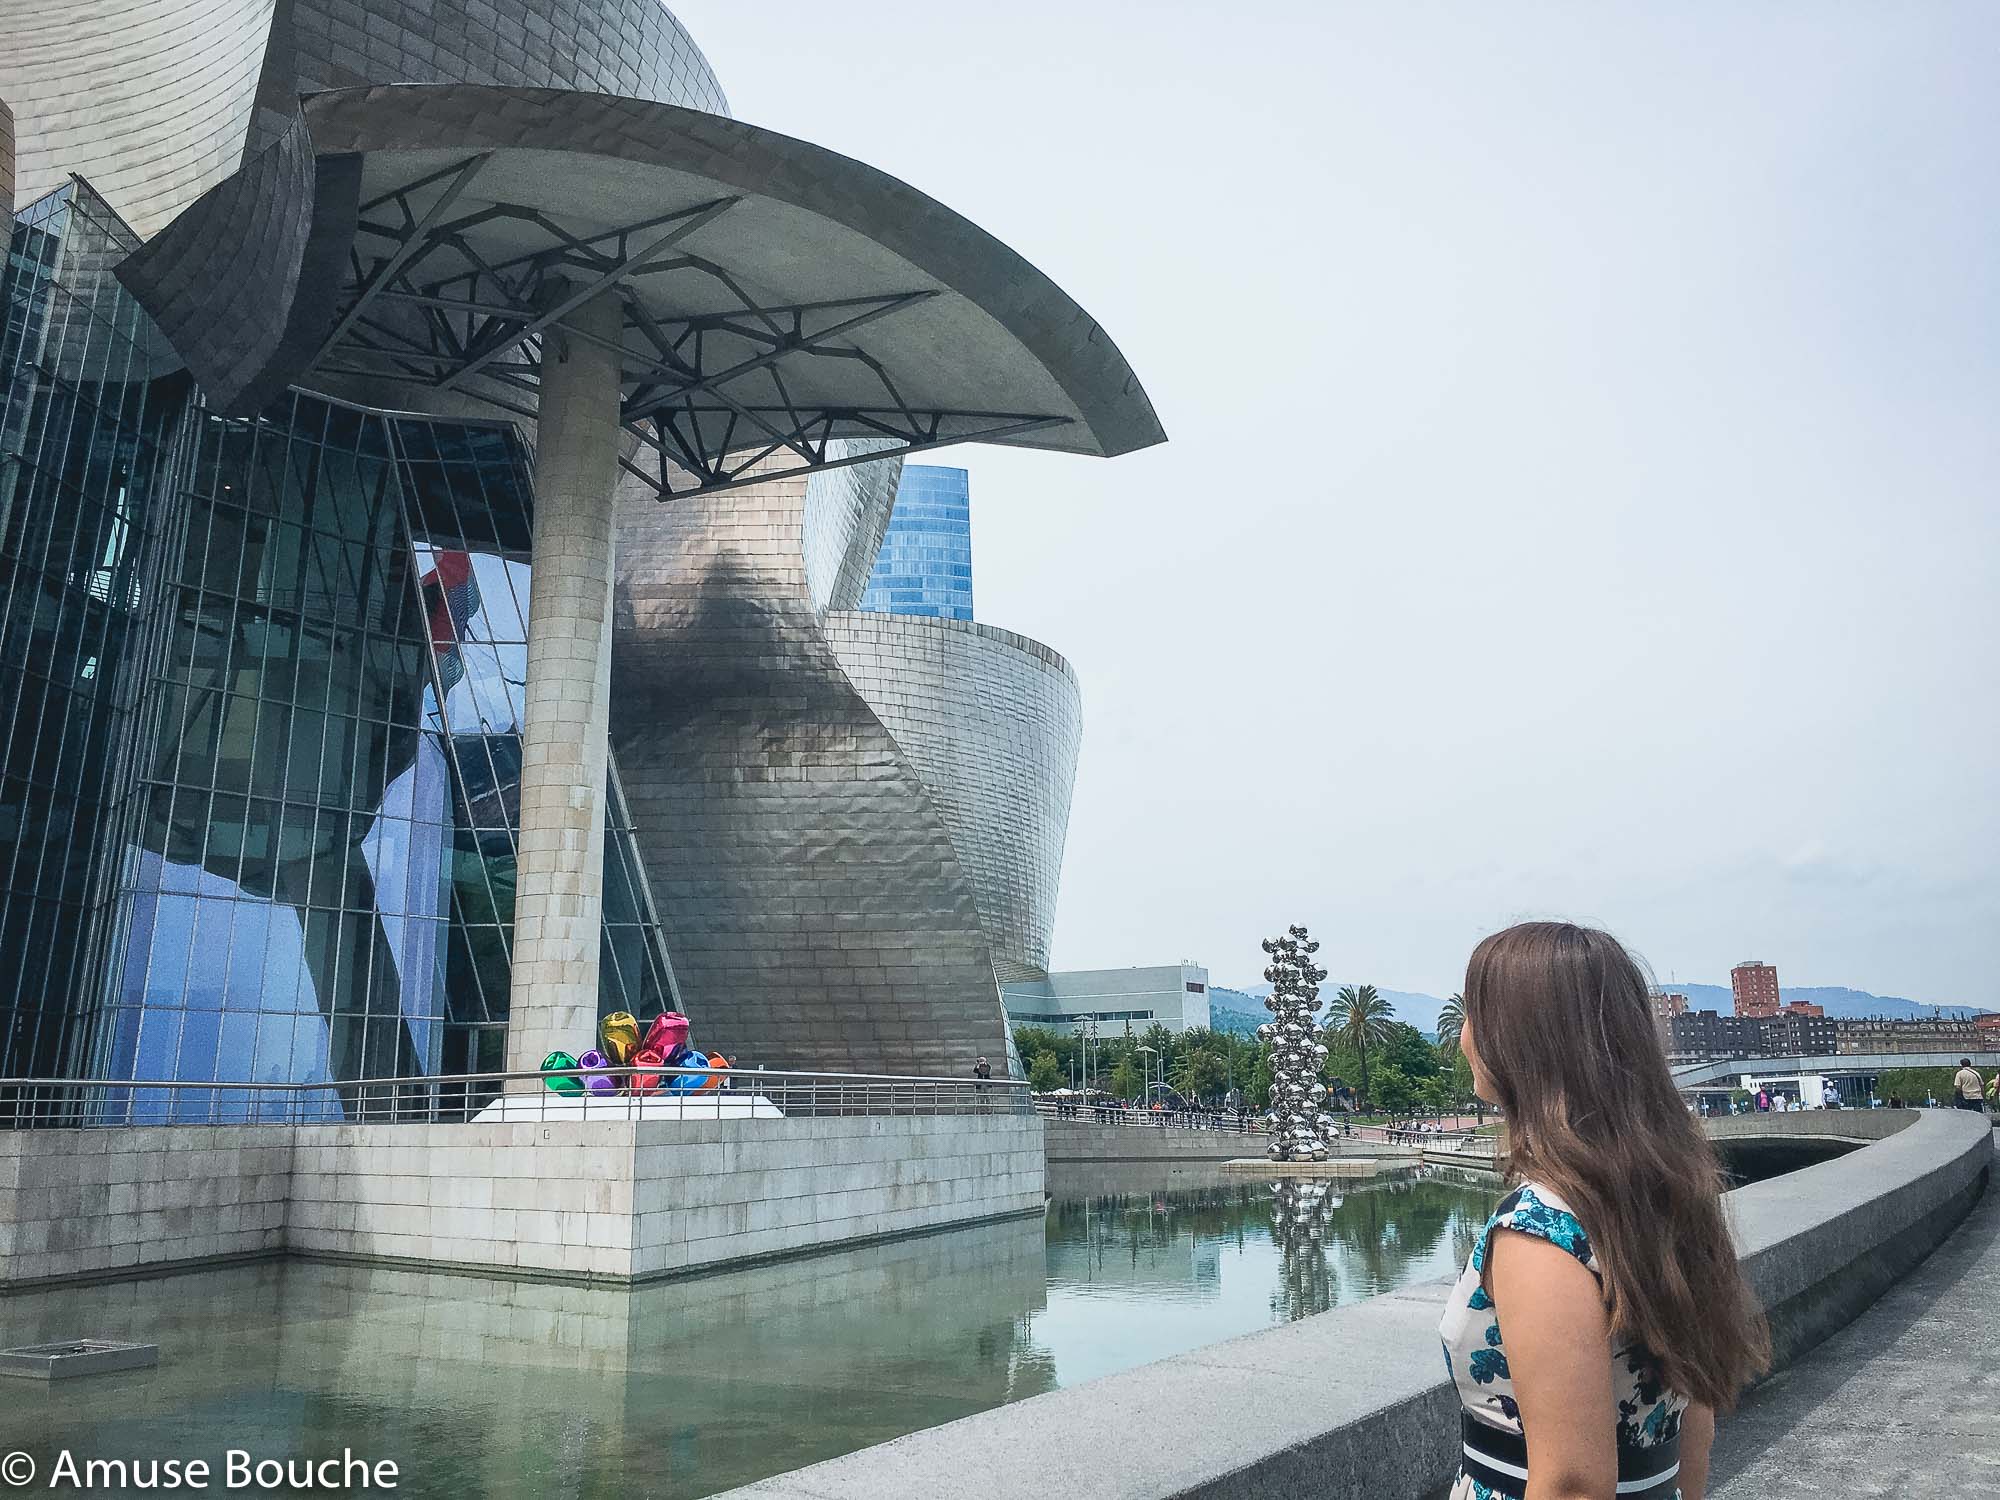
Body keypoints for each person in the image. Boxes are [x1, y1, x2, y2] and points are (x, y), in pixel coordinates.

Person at [1443, 922, 1769, 1500]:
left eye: (1472, 1015)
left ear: (1519, 1040)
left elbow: (1572, 1483)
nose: (1463, 1037)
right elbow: (1696, 1420)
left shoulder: (1539, 1230)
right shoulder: (1661, 1196)